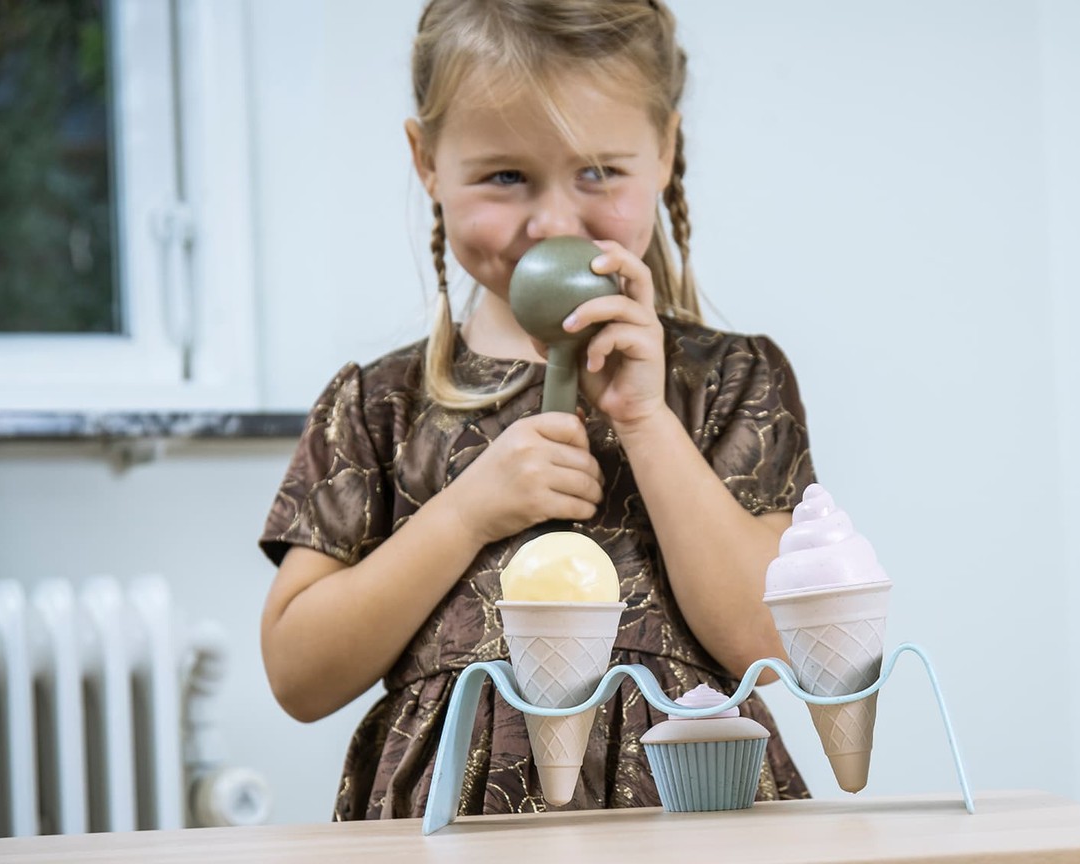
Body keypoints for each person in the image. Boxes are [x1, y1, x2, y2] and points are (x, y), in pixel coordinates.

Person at [258, 0, 817, 820]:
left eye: (599, 171)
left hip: (693, 813)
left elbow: (770, 647)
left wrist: (647, 424)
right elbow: (299, 676)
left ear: (664, 148)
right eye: (505, 176)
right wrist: (465, 514)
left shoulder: (731, 381)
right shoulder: (374, 406)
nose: (555, 221)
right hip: (450, 824)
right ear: (427, 162)